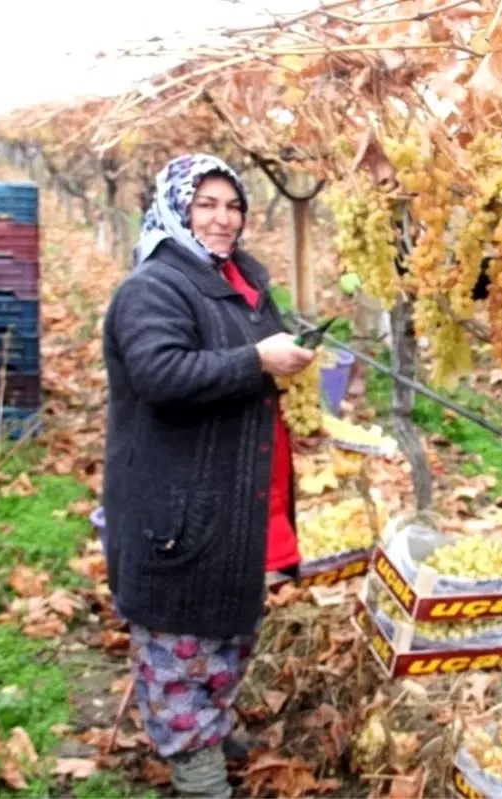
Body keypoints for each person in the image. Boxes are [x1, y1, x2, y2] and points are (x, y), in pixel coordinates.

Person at [101, 153, 314, 799]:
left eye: (233, 205)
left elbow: (258, 351)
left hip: (233, 487)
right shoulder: (153, 288)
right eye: (206, 205)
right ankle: (192, 759)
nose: (223, 219)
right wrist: (256, 358)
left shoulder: (241, 278)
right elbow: (162, 375)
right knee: (176, 636)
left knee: (228, 618)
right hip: (176, 494)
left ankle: (209, 724)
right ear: (175, 207)